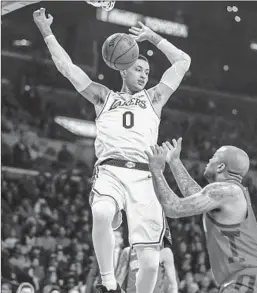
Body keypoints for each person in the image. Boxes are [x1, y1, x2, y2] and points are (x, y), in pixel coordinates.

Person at [33, 7, 191, 293]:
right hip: (111, 169)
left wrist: (153, 37)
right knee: (102, 213)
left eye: (147, 71)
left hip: (146, 176)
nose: (143, 75)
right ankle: (108, 283)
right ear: (123, 66)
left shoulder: (154, 98)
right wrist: (47, 32)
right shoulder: (103, 97)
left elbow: (183, 60)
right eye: (138, 69)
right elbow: (67, 68)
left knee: (150, 260)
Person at [145, 138, 257, 293]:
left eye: (213, 157)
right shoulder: (231, 193)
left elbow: (173, 207)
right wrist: (174, 162)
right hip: (250, 279)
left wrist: (156, 171)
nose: (209, 160)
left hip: (247, 281)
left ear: (221, 166)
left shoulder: (225, 191)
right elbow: (196, 196)